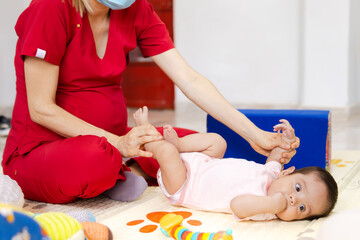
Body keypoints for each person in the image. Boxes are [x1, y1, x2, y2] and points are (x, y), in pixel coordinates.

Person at [2, 0, 299, 204]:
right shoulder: (52, 7)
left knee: (203, 144)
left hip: (118, 142)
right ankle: (120, 169)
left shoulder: (136, 9)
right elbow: (41, 108)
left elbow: (189, 79)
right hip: (39, 152)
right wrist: (118, 145)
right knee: (96, 158)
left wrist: (254, 135)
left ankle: (122, 169)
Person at [133, 106, 338, 221]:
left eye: (302, 208)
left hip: (183, 185)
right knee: (217, 141)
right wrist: (285, 142)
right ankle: (179, 143)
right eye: (298, 187)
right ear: (287, 173)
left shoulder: (265, 210)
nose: (293, 199)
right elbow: (276, 156)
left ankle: (147, 134)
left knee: (166, 153)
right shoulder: (273, 173)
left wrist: (274, 203)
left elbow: (237, 206)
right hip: (203, 163)